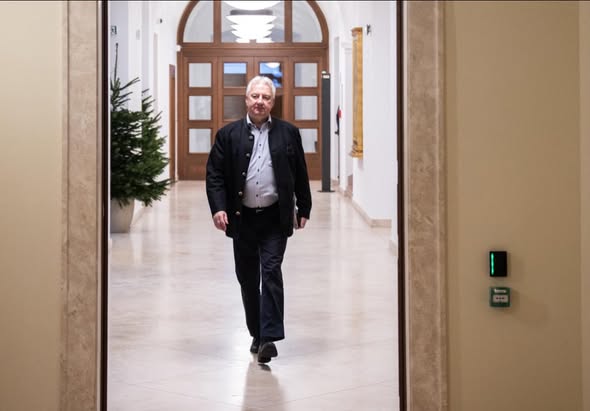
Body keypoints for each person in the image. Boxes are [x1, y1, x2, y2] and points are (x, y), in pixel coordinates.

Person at [205, 75, 312, 364]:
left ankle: (269, 338)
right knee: (248, 278)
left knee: (272, 271)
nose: (260, 102)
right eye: (255, 96)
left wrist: (304, 207)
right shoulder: (228, 135)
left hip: (275, 216)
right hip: (242, 219)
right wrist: (218, 208)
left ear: (273, 102)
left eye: (266, 97)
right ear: (246, 99)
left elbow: (300, 172)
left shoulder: (289, 133)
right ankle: (257, 333)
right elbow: (214, 175)